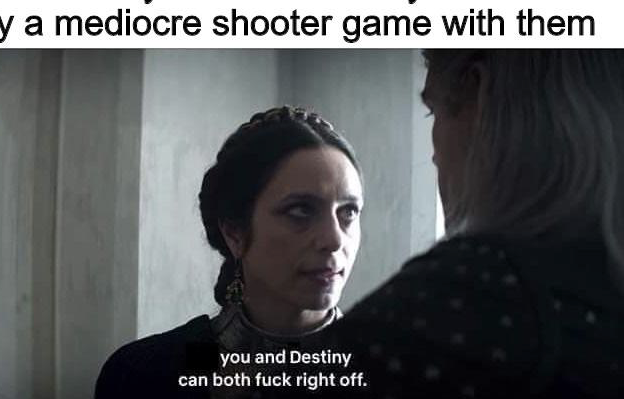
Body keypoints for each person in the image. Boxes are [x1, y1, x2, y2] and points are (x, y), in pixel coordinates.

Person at [296, 50, 624, 399]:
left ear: (480, 99)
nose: (434, 156)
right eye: (300, 211)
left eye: (434, 111)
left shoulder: (470, 298)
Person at [94, 106, 364, 398]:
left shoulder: (389, 370)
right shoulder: (148, 374)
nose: (334, 239)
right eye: (300, 211)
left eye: (348, 212)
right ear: (234, 232)